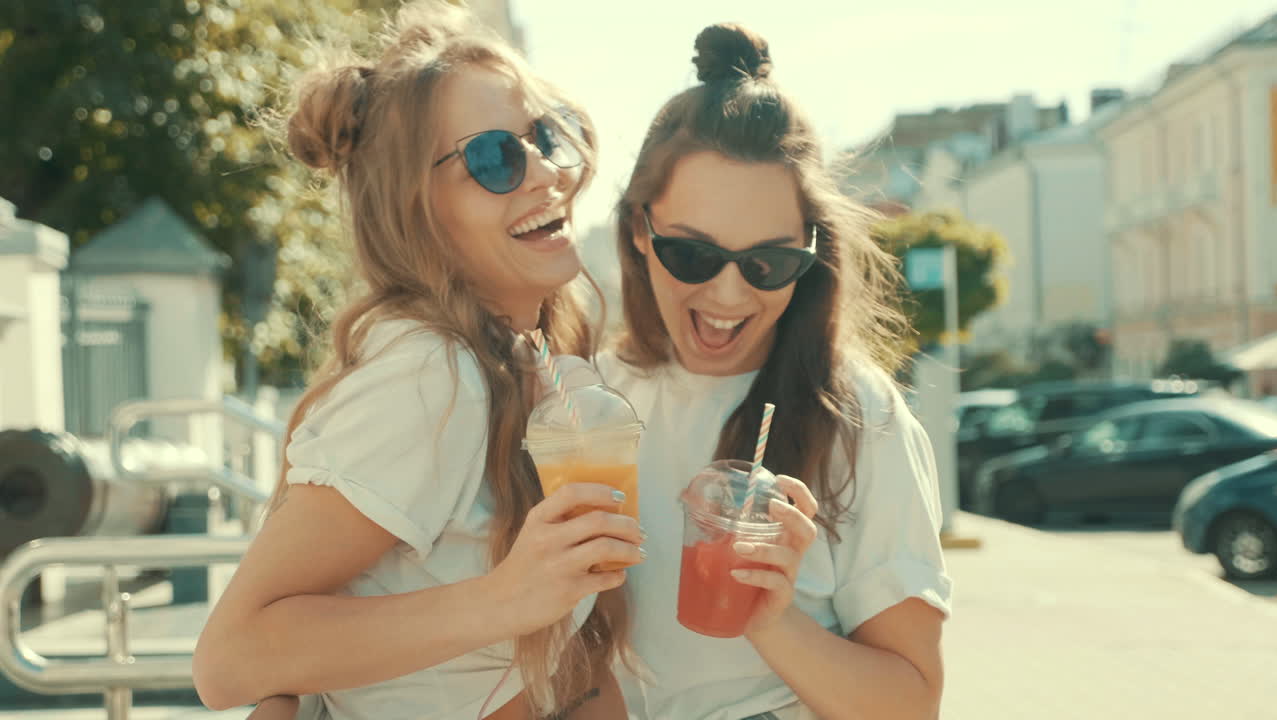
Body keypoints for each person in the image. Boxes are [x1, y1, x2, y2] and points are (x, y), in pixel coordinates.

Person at [192, 3, 642, 719]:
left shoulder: (527, 354)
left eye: (546, 135)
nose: (545, 172)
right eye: (494, 157)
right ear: (415, 210)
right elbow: (230, 661)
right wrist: (504, 598)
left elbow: (561, 654)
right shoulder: (432, 375)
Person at [595, 23, 953, 720]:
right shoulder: (593, 403)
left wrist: (771, 617)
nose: (729, 297)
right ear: (640, 231)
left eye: (768, 262)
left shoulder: (859, 415)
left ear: (812, 252)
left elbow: (910, 705)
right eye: (693, 256)